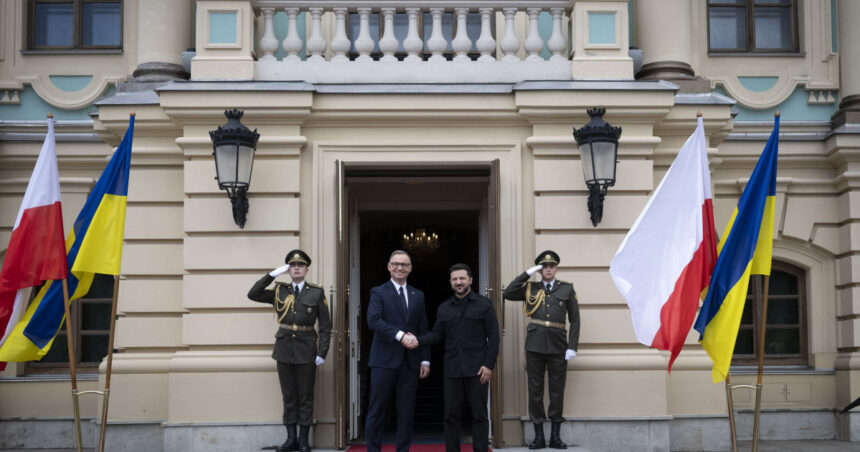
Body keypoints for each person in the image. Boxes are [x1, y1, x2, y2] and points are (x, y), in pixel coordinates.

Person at [407, 263, 499, 452]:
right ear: (450, 282)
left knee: (479, 415)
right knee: (450, 416)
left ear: (470, 280)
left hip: (478, 370)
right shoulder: (444, 308)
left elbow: (494, 337)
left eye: (462, 278)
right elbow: (436, 335)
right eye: (455, 279)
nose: (459, 282)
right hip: (452, 370)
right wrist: (416, 340)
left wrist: (489, 365)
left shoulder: (484, 304)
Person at [248, 249, 331, 452]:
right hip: (284, 349)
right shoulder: (279, 291)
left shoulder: (316, 292)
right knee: (289, 396)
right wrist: (273, 274)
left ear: (306, 269)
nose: (296, 268)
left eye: (300, 265)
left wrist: (322, 353)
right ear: (288, 269)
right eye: (292, 265)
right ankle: (290, 439)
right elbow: (253, 294)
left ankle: (303, 440)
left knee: (305, 396)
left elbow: (326, 326)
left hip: (307, 351)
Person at [503, 250, 580, 450]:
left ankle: (555, 437)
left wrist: (572, 346)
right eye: (544, 266)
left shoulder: (567, 289)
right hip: (535, 345)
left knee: (557, 391)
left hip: (558, 346)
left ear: (556, 268)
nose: (548, 269)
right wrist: (527, 273)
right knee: (535, 391)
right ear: (540, 269)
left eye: (551, 266)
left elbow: (575, 320)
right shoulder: (530, 287)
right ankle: (539, 438)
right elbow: (508, 292)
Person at [365, 250, 431, 452]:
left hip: (410, 362)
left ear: (410, 268)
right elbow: (373, 321)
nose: (400, 268)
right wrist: (401, 335)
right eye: (396, 264)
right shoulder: (378, 292)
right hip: (383, 360)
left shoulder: (418, 295)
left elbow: (423, 328)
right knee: (377, 410)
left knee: (406, 412)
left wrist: (425, 360)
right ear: (388, 266)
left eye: (404, 265)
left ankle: (403, 449)